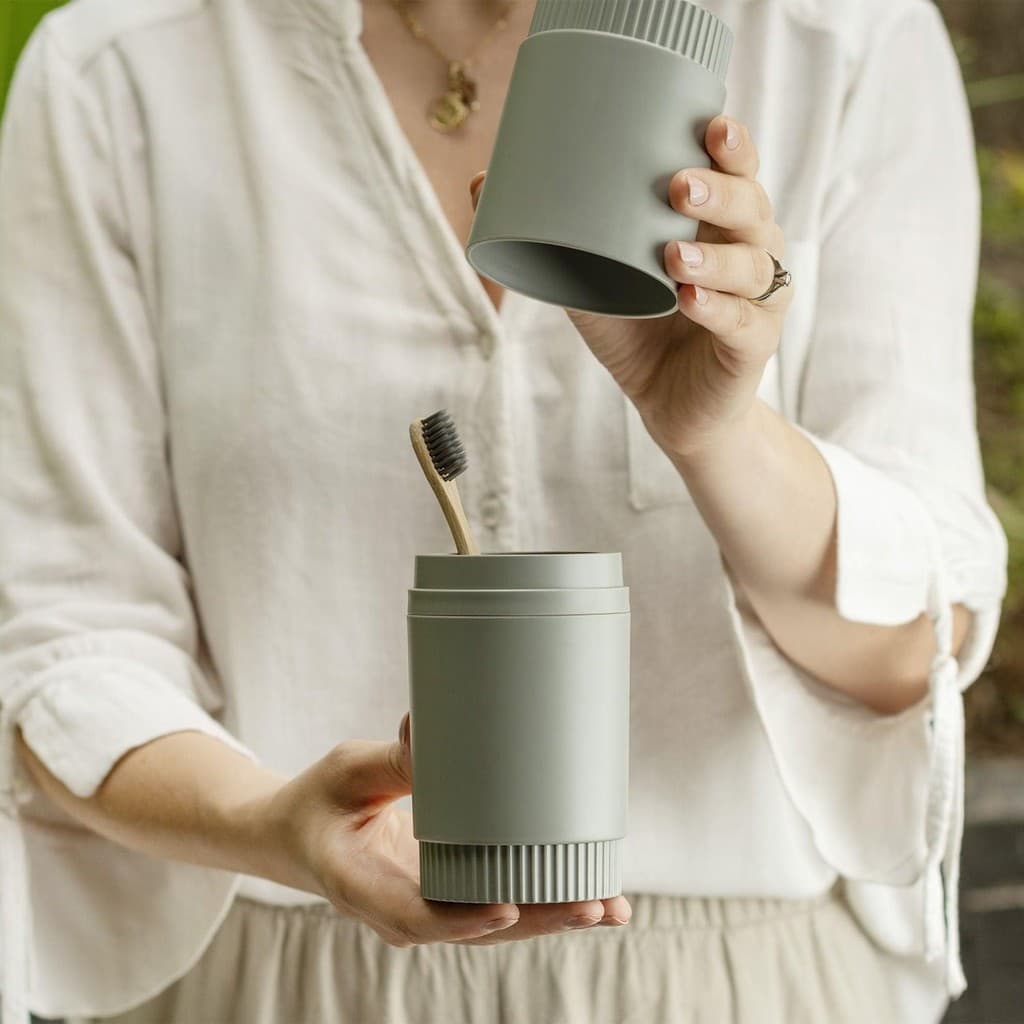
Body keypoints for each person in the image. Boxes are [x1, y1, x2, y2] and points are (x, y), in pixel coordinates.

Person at [0, 0, 1008, 1021]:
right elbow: (64, 639)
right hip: (285, 976)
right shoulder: (122, 64)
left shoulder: (841, 40)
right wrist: (274, 825)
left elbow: (911, 651)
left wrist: (718, 434)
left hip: (731, 985)